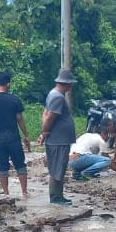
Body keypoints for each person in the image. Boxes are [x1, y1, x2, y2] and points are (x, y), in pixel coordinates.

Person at [0, 71, 31, 197]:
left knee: (2, 166)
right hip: (13, 138)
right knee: (20, 164)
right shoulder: (14, 100)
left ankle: (6, 193)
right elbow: (19, 118)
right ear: (9, 84)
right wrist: (26, 135)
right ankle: (24, 192)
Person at [37, 68, 77, 205]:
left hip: (59, 139)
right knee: (58, 168)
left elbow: (45, 113)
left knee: (58, 167)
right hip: (58, 140)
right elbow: (49, 117)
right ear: (66, 84)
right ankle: (56, 198)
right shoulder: (58, 97)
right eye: (70, 83)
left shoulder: (54, 94)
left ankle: (58, 196)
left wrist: (45, 133)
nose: (71, 86)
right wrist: (45, 133)